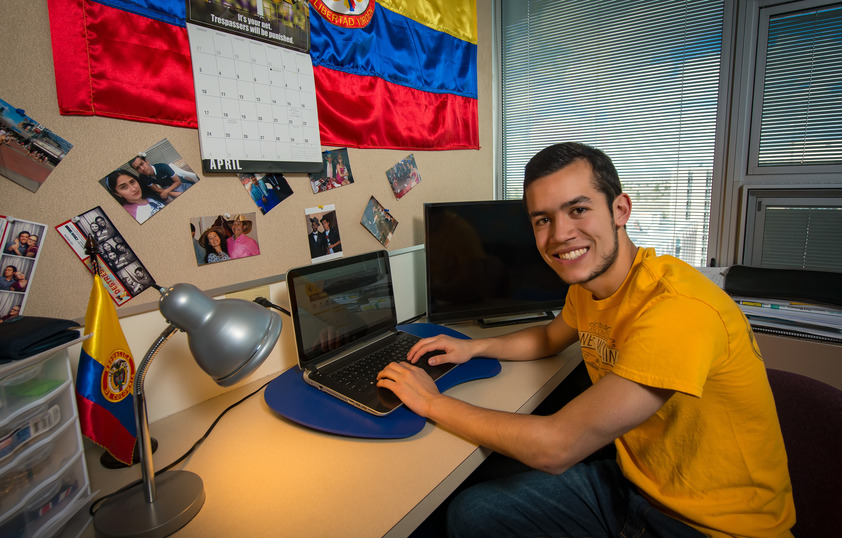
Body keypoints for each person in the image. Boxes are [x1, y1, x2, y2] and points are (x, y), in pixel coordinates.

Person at [376, 142, 795, 537]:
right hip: (637, 483)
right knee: (471, 513)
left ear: (620, 209)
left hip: (706, 526)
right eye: (543, 220)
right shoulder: (589, 286)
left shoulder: (678, 310)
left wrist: (431, 402)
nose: (559, 235)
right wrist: (474, 347)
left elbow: (556, 447)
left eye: (578, 209)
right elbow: (547, 337)